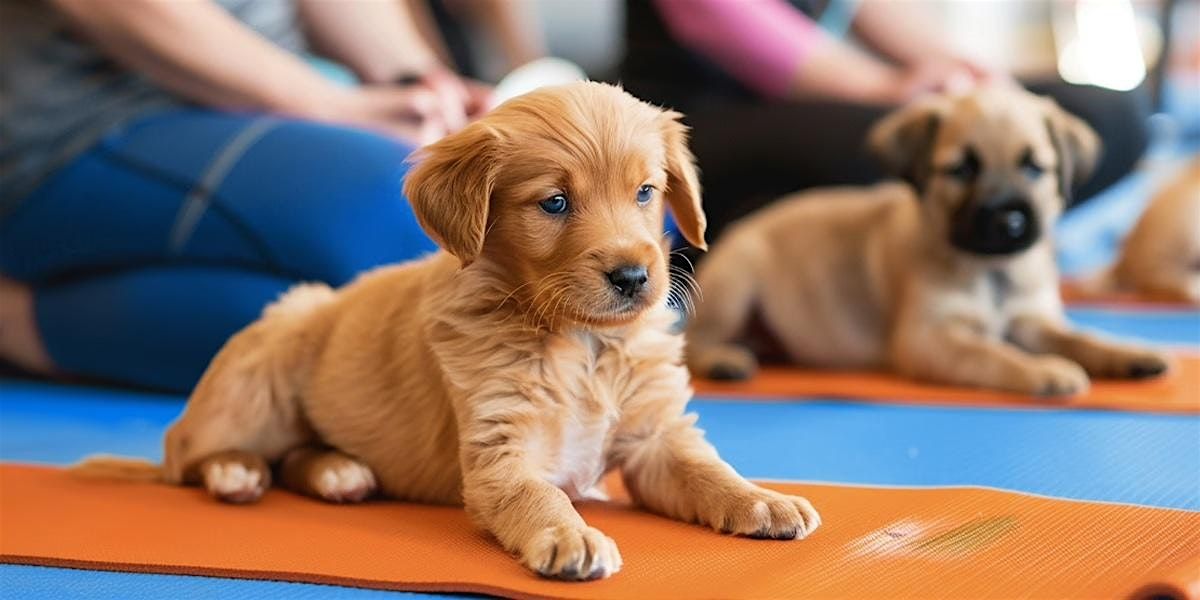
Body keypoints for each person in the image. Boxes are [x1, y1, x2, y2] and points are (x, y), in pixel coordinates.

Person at [0, 0, 537, 392]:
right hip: (78, 132)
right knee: (410, 225)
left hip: (262, 108)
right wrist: (330, 106)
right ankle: (17, 322)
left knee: (389, 304)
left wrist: (423, 86)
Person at [620, 0, 1153, 241]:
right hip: (700, 120)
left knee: (1112, 114)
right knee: (887, 155)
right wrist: (882, 88)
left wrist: (971, 80)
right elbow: (705, 11)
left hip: (823, 103)